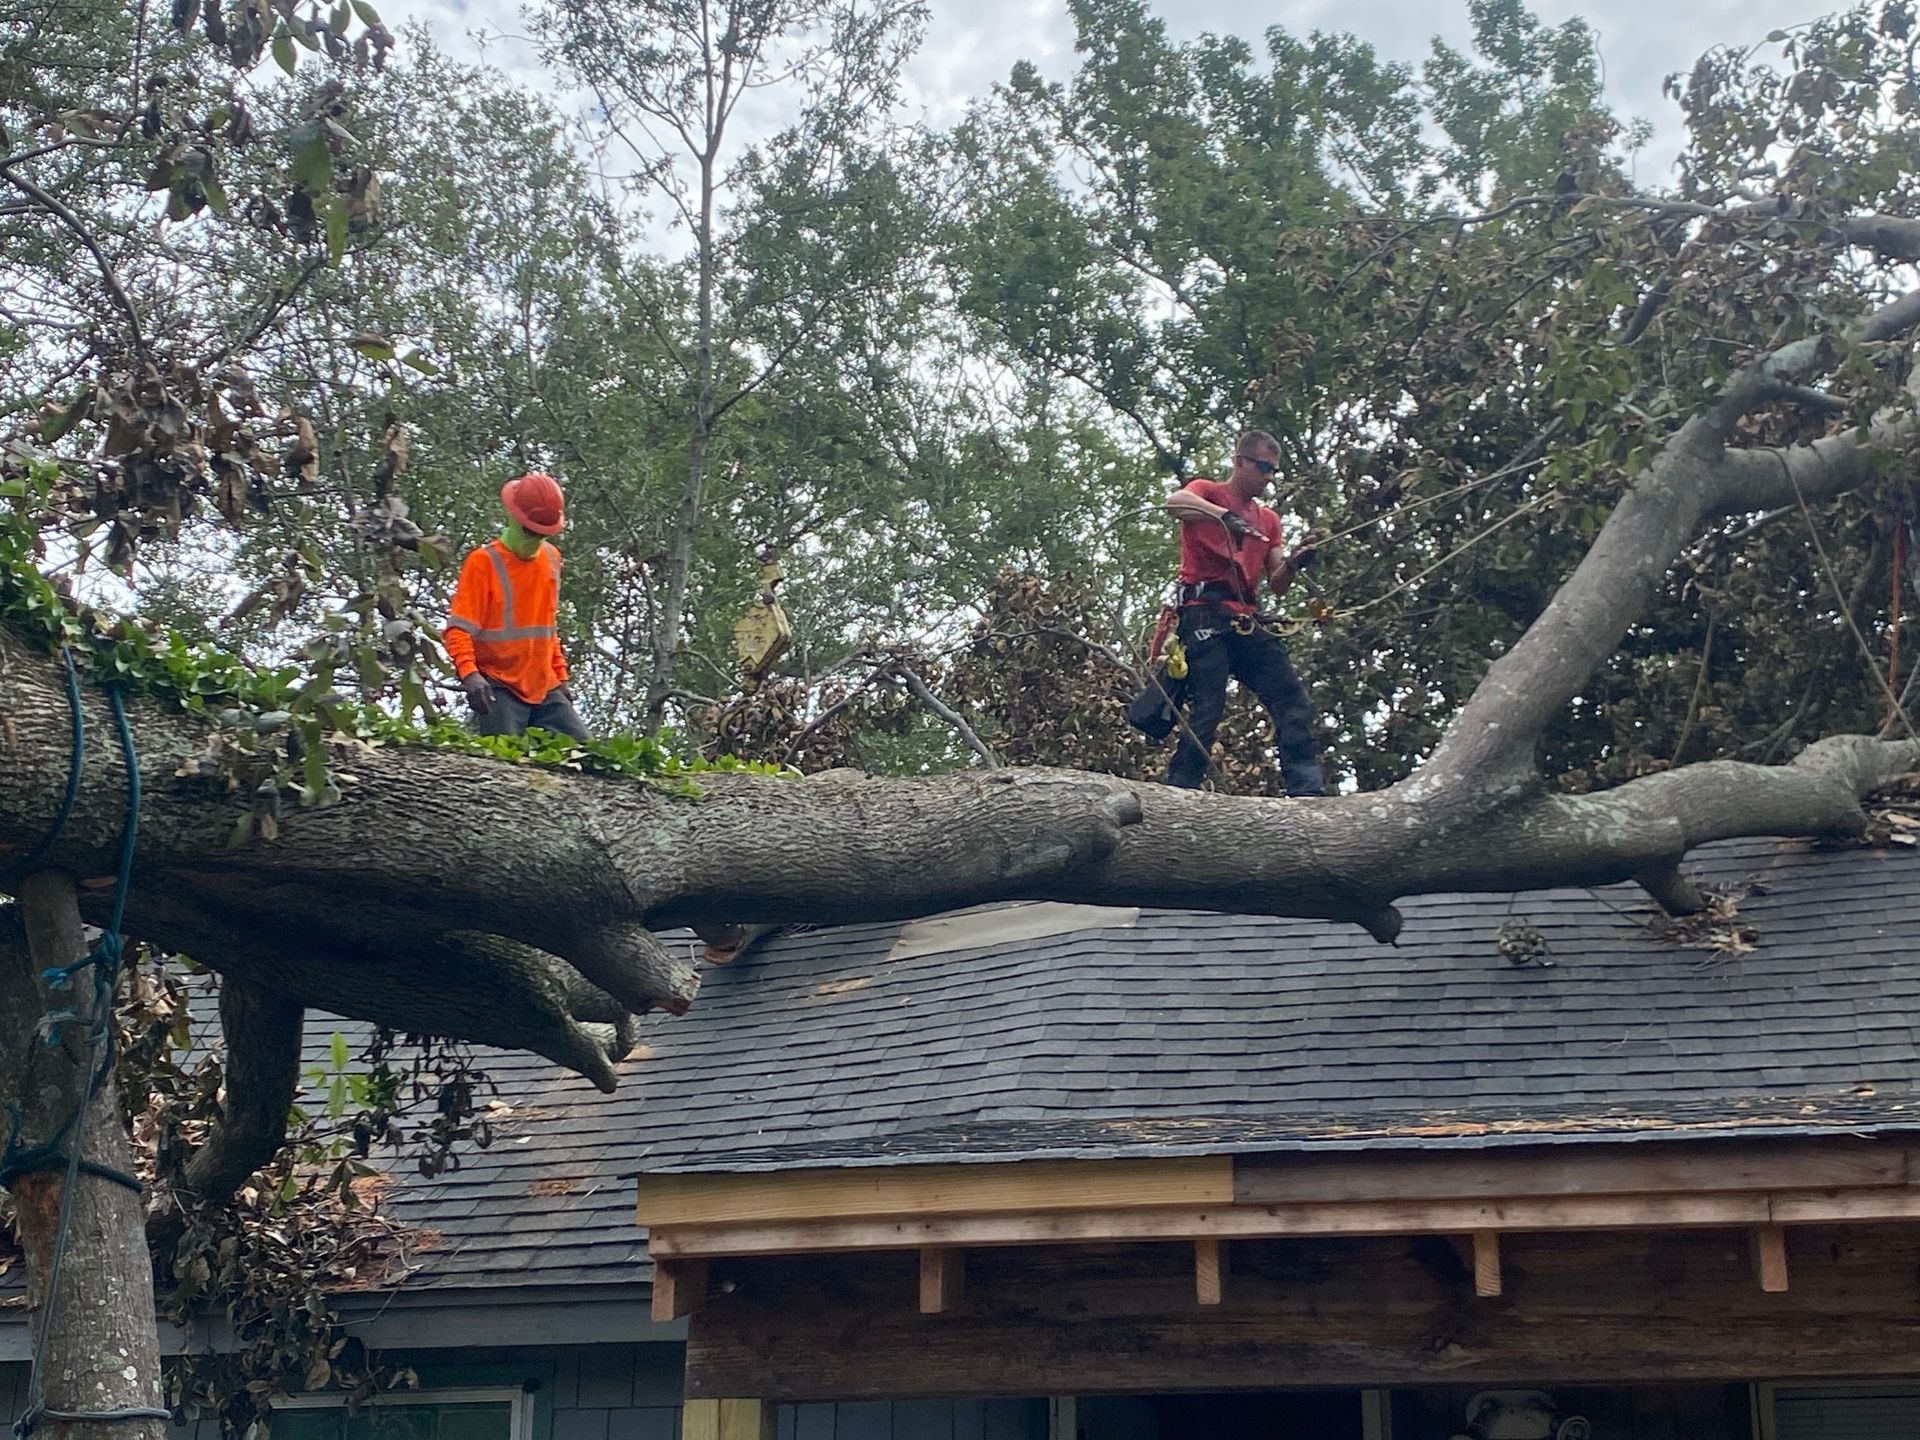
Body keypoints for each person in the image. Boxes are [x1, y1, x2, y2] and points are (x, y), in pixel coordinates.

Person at [1161, 429, 1325, 795]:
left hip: (1244, 621)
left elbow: (1277, 581)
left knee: (1290, 697)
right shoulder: (1207, 492)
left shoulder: (1268, 520)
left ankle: (1306, 788)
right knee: (1209, 707)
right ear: (1240, 462)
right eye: (1263, 467)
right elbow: (1175, 502)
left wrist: (1296, 563)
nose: (1268, 477)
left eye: (1273, 471)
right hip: (1204, 614)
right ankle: (1180, 787)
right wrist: (1223, 517)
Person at [443, 471, 590, 742]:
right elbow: (458, 630)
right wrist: (471, 675)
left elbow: (547, 628)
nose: (534, 539)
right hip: (499, 686)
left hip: (545, 685)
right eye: (529, 531)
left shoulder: (551, 559)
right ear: (511, 516)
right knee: (505, 765)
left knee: (590, 757)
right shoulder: (483, 563)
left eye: (540, 534)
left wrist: (561, 676)